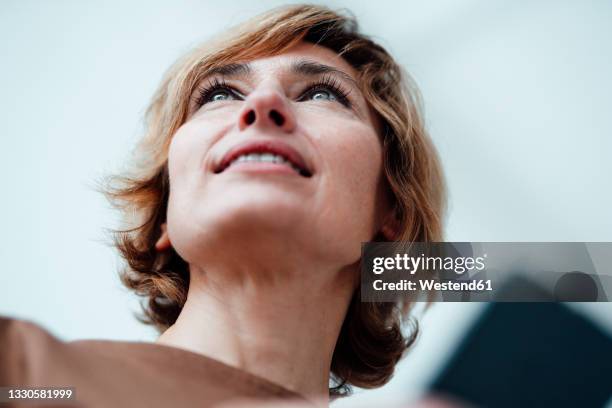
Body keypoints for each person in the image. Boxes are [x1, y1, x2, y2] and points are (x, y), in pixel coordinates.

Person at [0, 4, 446, 407]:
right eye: (219, 95)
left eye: (321, 94)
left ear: (394, 213)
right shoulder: (22, 374)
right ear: (164, 213)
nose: (263, 103)